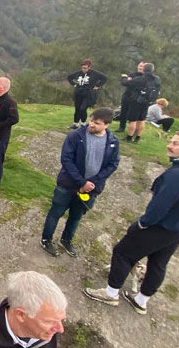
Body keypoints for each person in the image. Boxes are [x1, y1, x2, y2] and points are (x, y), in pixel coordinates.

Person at [85, 131, 179, 315]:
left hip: (161, 227)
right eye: (171, 141)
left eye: (176, 143)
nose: (169, 145)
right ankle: (141, 301)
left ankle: (111, 294)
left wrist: (142, 224)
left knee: (122, 252)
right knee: (158, 263)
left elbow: (159, 207)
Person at [41, 108, 120, 257]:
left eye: (96, 123)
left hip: (91, 189)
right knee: (55, 213)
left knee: (76, 216)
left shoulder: (113, 142)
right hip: (67, 185)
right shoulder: (75, 136)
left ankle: (66, 240)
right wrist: (82, 182)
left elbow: (113, 164)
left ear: (107, 125)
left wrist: (93, 183)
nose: (91, 124)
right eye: (91, 120)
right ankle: (46, 239)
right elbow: (66, 160)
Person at [120, 62, 161, 144]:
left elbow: (125, 83)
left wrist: (124, 77)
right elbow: (158, 89)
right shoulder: (157, 79)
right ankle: (138, 138)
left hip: (136, 101)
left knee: (133, 120)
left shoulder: (141, 79)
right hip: (148, 101)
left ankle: (129, 137)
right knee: (142, 120)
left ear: (144, 70)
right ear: (152, 70)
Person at [67, 59, 107, 129]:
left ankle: (83, 123)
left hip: (88, 93)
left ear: (89, 67)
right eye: (82, 68)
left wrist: (97, 85)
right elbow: (69, 77)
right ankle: (75, 124)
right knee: (77, 108)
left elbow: (104, 78)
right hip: (78, 93)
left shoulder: (95, 73)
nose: (84, 69)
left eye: (85, 68)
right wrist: (74, 84)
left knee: (83, 108)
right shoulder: (78, 73)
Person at [117, 62, 146, 133]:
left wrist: (127, 79)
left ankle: (133, 130)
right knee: (123, 111)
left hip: (136, 98)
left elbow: (128, 82)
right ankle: (121, 127)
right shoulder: (132, 74)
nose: (140, 68)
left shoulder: (145, 77)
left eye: (142, 66)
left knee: (133, 115)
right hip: (127, 95)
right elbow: (127, 83)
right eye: (139, 66)